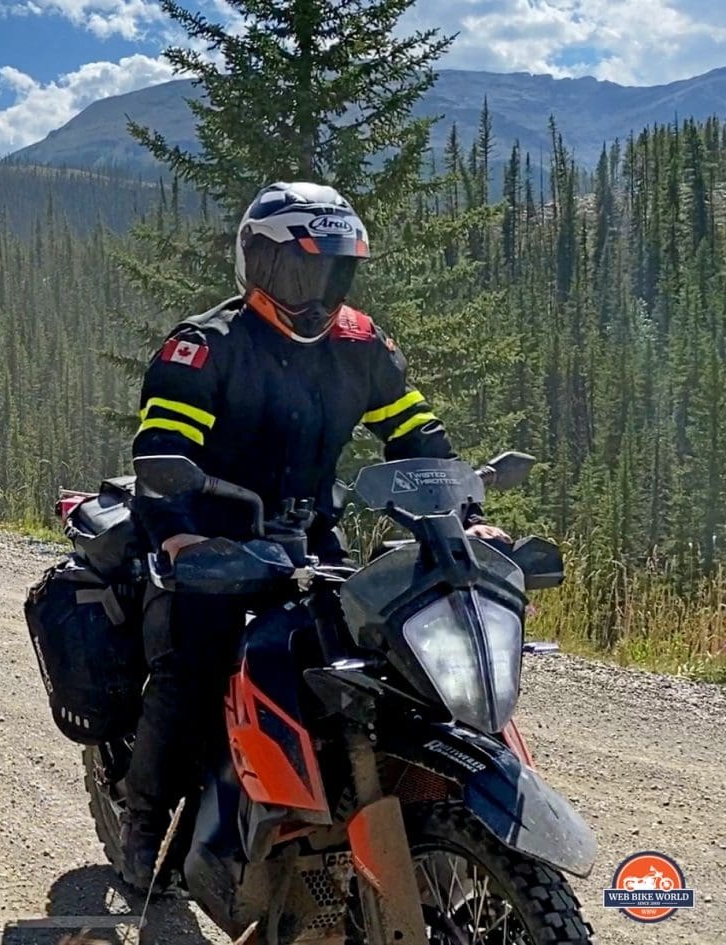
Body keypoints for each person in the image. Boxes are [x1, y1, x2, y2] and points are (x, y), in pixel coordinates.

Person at [122, 181, 507, 890]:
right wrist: (180, 539)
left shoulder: (360, 344)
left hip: (308, 537)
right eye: (301, 269)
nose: (316, 288)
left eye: (333, 270)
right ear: (258, 263)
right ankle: (142, 829)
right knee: (195, 669)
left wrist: (464, 510)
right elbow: (161, 453)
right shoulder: (205, 348)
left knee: (373, 664)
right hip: (212, 538)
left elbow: (416, 434)